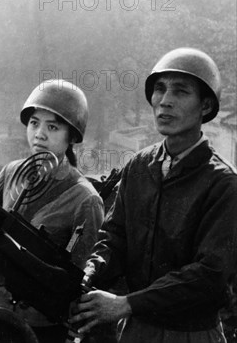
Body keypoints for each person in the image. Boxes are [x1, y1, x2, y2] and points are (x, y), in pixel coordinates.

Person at [70, 48, 237, 342]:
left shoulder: (223, 184)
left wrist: (126, 304)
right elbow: (114, 235)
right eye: (159, 89)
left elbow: (209, 275)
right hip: (135, 330)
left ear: (206, 105)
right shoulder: (138, 166)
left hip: (191, 335)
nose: (165, 101)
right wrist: (92, 271)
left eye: (181, 91)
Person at [0, 79, 104, 343]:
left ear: (71, 136)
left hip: (42, 328)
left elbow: (77, 280)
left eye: (52, 127)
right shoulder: (10, 174)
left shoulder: (84, 200)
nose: (39, 134)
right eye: (34, 123)